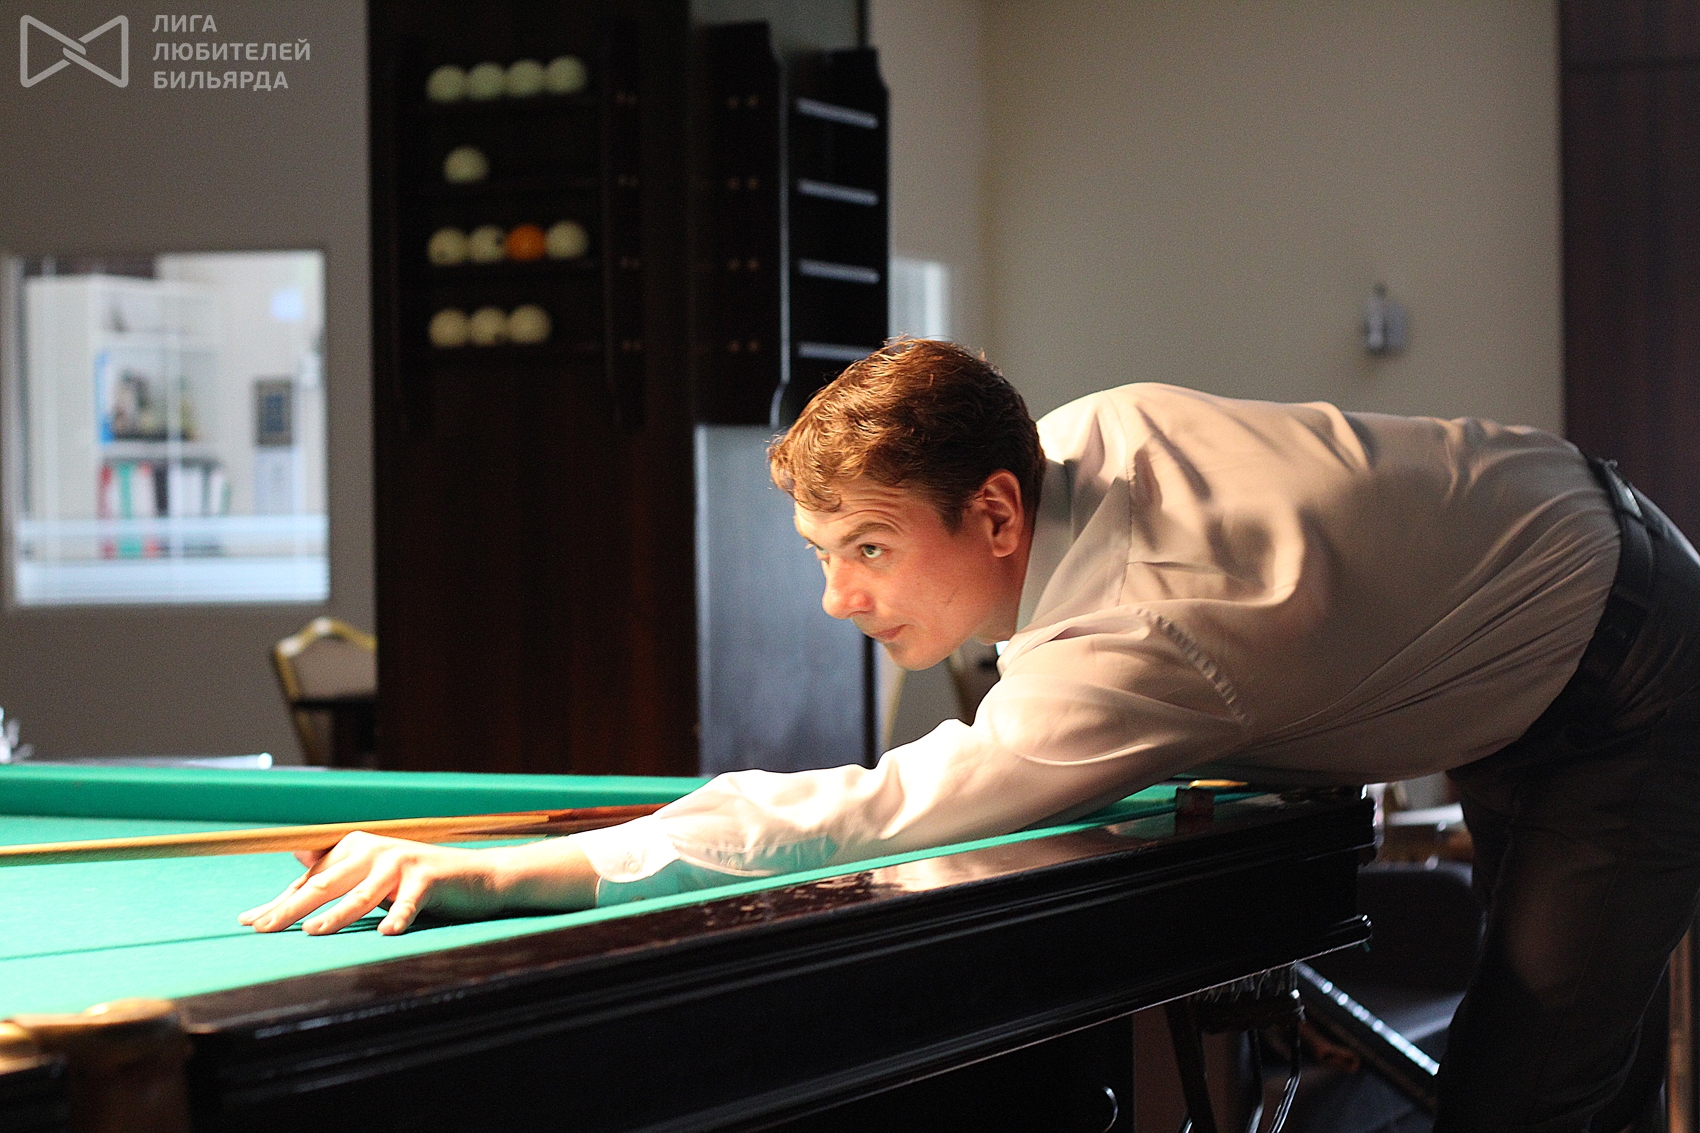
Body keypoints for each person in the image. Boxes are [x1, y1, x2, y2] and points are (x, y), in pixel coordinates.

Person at [242, 338, 1700, 1132]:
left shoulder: (1151, 633)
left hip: (1629, 675)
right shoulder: (1078, 434)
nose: (838, 598)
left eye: (869, 549)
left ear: (995, 510)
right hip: (1543, 581)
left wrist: (546, 868)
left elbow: (885, 808)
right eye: (823, 553)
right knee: (1591, 1066)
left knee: (1529, 1102)